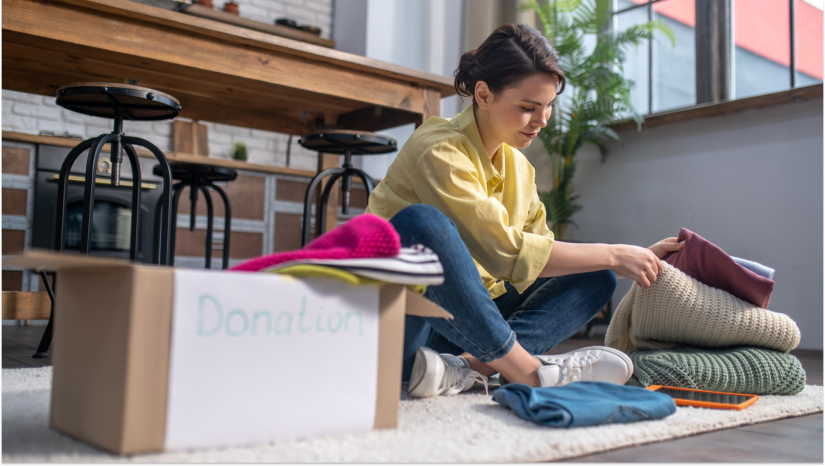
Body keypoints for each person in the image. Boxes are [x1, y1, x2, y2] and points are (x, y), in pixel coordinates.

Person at [365, 24, 683, 398]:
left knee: (595, 275)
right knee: (421, 224)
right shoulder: (439, 149)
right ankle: (526, 370)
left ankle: (469, 369)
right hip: (407, 322)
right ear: (483, 94)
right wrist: (616, 253)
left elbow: (540, 258)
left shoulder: (519, 167)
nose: (543, 120)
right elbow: (504, 253)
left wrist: (631, 258)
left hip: (468, 331)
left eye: (548, 107)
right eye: (529, 108)